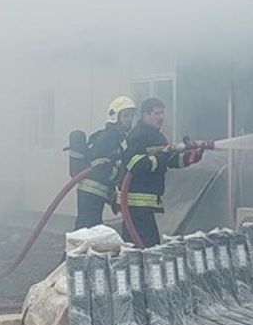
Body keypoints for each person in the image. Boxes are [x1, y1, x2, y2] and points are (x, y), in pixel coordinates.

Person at [121, 97, 203, 246]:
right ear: (145, 115)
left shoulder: (157, 136)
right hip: (135, 205)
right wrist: (162, 156)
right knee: (146, 248)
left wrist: (189, 158)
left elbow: (169, 160)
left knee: (144, 247)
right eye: (157, 113)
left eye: (162, 113)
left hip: (145, 206)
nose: (161, 117)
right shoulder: (137, 136)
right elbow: (134, 164)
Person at [73, 96, 137, 230]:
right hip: (91, 190)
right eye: (126, 116)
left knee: (92, 229)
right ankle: (73, 251)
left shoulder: (118, 137)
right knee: (86, 229)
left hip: (100, 190)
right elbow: (100, 167)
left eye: (131, 116)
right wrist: (118, 179)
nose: (130, 119)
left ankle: (81, 250)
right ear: (115, 117)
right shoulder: (107, 137)